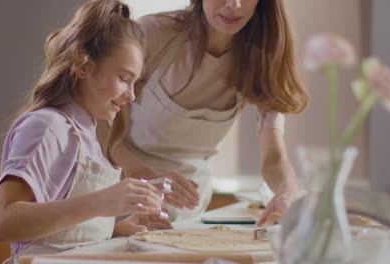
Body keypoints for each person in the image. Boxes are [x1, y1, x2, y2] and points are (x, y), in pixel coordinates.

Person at [0, 1, 170, 263]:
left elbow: (63, 234)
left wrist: (116, 227)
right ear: (83, 66)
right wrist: (102, 202)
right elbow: (1, 223)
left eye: (135, 82)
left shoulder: (87, 132)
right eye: (123, 78)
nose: (131, 95)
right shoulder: (46, 126)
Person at [97, 0, 309, 224]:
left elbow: (274, 158)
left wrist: (287, 192)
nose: (233, 5)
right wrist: (139, 172)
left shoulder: (263, 54)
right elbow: (98, 119)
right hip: (123, 192)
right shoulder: (153, 33)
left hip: (188, 210)